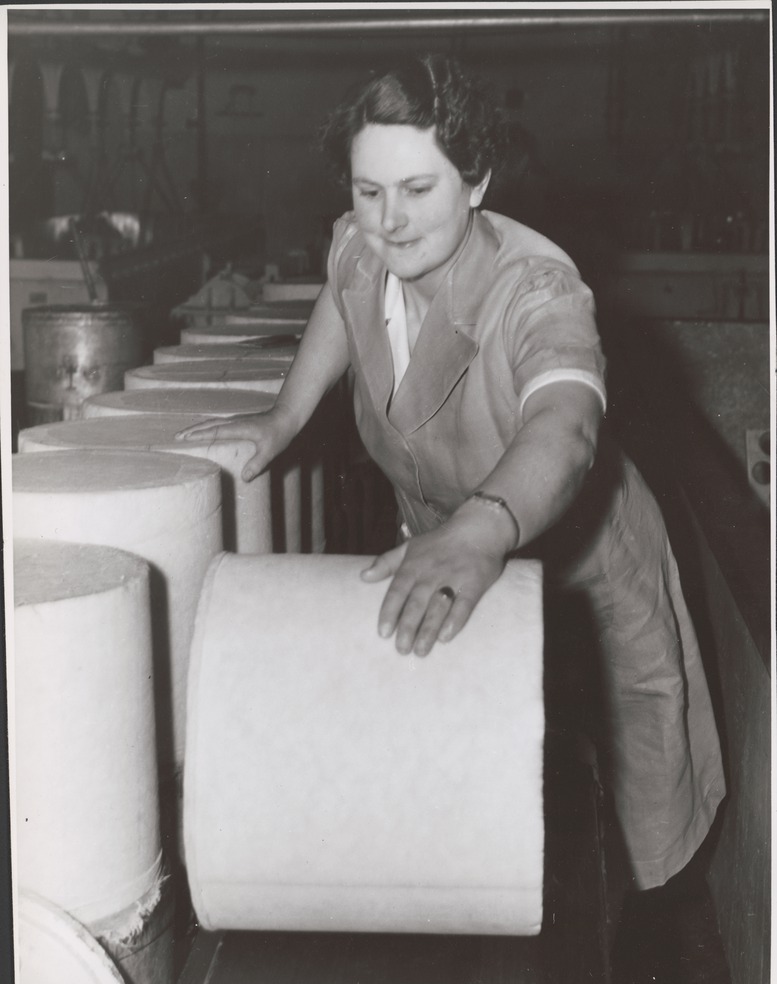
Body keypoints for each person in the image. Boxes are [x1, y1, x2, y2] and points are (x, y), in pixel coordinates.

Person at [178, 54, 725, 895]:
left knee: (634, 820)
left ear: (475, 182)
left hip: (583, 559)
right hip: (454, 542)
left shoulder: (536, 292)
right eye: (368, 191)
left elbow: (566, 425)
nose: (388, 221)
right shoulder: (360, 245)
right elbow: (341, 288)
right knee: (472, 792)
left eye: (417, 190)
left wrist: (478, 528)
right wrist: (285, 414)